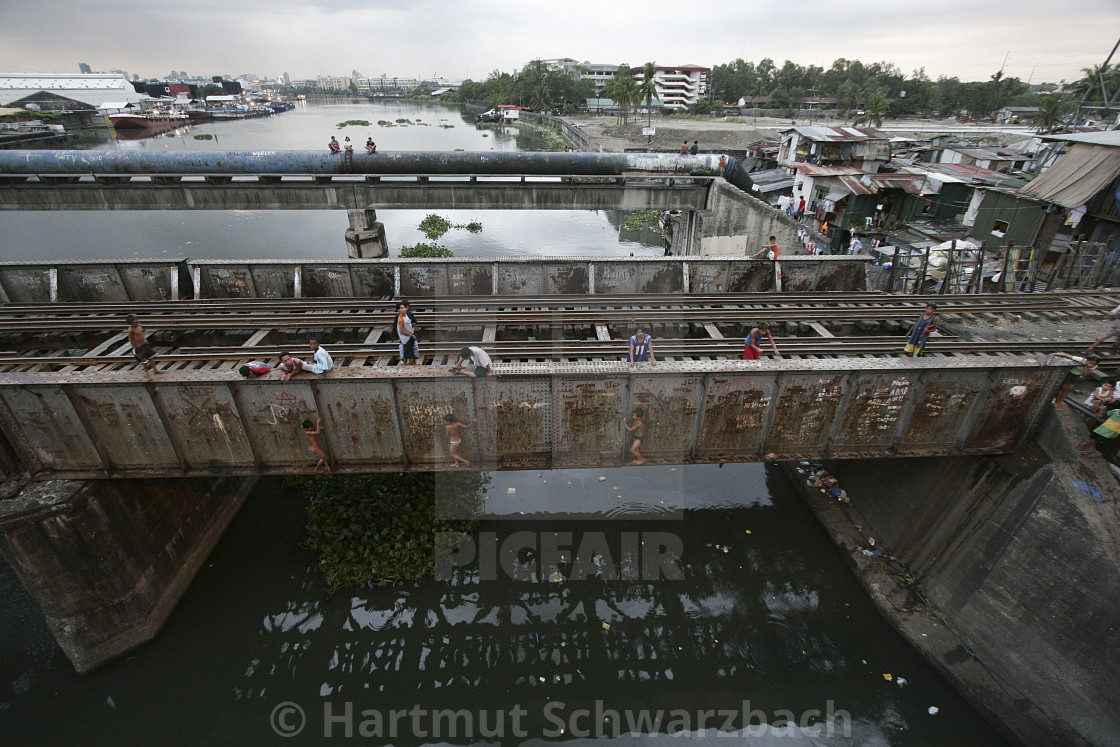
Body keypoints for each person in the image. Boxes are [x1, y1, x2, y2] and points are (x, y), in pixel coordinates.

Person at [126, 314, 162, 379]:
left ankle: (155, 369)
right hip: (139, 346)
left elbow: (142, 333)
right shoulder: (131, 330)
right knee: (144, 360)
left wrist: (145, 339)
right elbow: (131, 339)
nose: (136, 323)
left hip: (144, 344)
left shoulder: (139, 326)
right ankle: (146, 371)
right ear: (131, 324)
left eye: (136, 322)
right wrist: (134, 347)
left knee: (151, 357)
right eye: (134, 323)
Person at [396, 300, 418, 365]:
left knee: (408, 353)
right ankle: (411, 366)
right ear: (398, 310)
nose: (403, 309)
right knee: (410, 354)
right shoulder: (400, 319)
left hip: (409, 336)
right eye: (401, 308)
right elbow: (401, 330)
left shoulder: (406, 315)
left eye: (404, 308)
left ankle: (405, 364)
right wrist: (410, 335)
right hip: (406, 338)